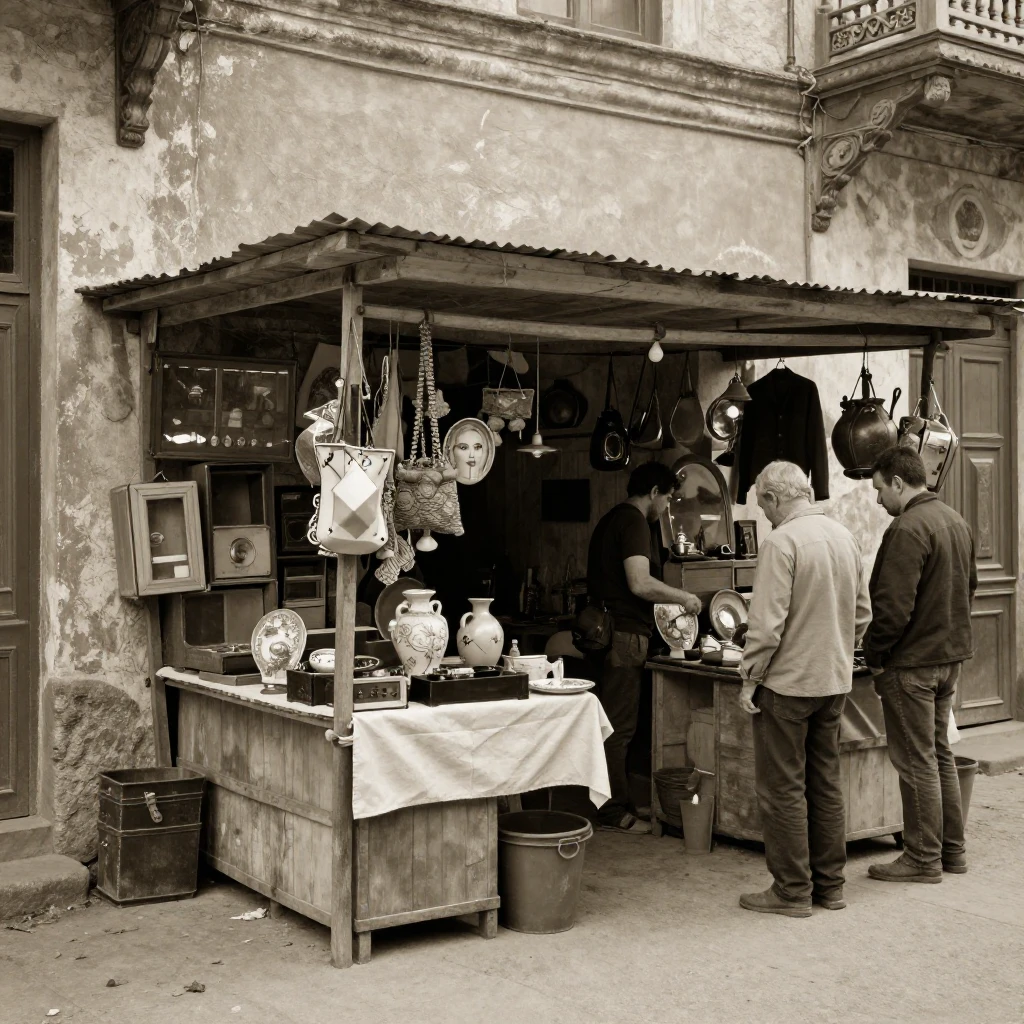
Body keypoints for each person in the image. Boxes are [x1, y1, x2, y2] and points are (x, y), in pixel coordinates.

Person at [737, 461, 871, 917]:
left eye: (762, 505)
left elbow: (765, 626)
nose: (763, 513)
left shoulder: (782, 541)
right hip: (833, 681)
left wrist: (750, 679)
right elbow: (862, 615)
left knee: (783, 789)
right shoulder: (844, 535)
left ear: (774, 498)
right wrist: (836, 648)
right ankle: (830, 887)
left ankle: (792, 891)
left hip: (789, 684)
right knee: (825, 783)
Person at [863, 446, 977, 883]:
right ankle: (951, 852)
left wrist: (874, 655)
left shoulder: (907, 528)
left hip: (912, 664)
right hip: (947, 658)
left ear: (898, 482)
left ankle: (923, 858)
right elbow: (969, 588)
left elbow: (892, 609)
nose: (878, 501)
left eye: (880, 490)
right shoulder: (955, 520)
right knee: (938, 753)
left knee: (916, 761)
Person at [586, 461, 701, 835]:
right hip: (623, 636)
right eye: (667, 498)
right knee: (618, 728)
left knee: (610, 724)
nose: (666, 506)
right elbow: (639, 583)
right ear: (654, 492)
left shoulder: (610, 520)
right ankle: (612, 812)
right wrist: (683, 597)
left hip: (606, 635)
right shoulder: (634, 522)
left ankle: (618, 802)